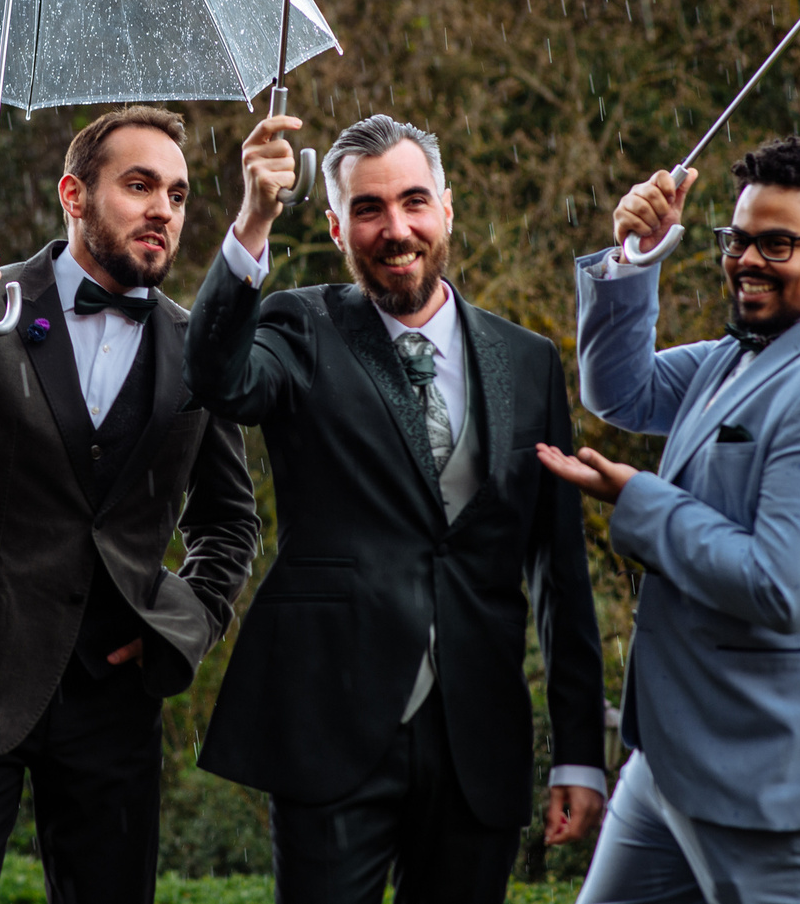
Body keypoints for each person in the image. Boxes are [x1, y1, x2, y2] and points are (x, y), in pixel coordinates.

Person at [182, 111, 608, 903]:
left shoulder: (528, 360)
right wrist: (253, 221)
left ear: (447, 209)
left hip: (478, 734)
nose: (396, 228)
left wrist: (579, 749)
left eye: (414, 202)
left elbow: (558, 570)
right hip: (331, 723)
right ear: (336, 225)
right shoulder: (299, 325)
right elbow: (215, 378)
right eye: (369, 208)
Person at [0, 105, 258, 904]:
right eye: (139, 186)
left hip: (114, 698)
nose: (163, 210)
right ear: (74, 194)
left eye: (177, 194)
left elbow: (229, 521)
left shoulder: (197, 347)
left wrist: (183, 624)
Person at [538, 134, 800, 903]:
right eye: (737, 239)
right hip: (672, 760)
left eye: (776, 244)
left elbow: (782, 586)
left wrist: (639, 498)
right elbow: (622, 392)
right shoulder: (744, 351)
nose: (746, 260)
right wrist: (635, 260)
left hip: (779, 778)